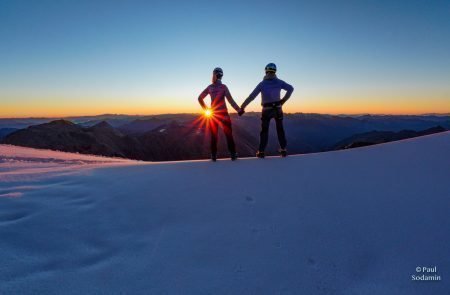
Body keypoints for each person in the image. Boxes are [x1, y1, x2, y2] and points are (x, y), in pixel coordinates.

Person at [240, 63, 294, 158]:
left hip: (266, 110)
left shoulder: (262, 84)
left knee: (264, 131)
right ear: (275, 71)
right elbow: (291, 89)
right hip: (278, 108)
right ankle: (283, 150)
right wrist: (283, 101)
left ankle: (261, 152)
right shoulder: (279, 82)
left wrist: (242, 107)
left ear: (266, 71)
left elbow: (251, 97)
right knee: (280, 130)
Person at [198, 67, 242, 161]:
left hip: (213, 115)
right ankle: (233, 154)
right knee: (228, 135)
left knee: (214, 135)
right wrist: (238, 110)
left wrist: (206, 109)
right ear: (221, 76)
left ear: (213, 75)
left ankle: (213, 155)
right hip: (224, 114)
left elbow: (199, 98)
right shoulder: (223, 87)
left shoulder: (210, 87)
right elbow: (231, 101)